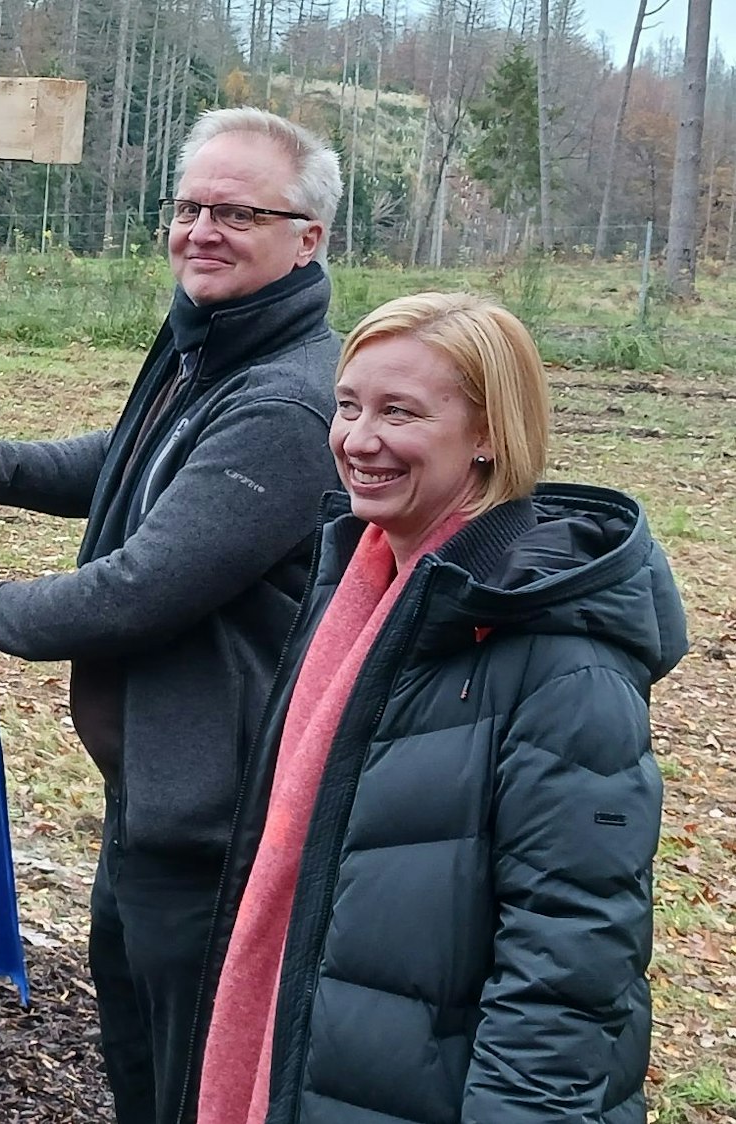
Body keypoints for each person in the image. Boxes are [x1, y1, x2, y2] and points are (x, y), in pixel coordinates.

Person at [0, 107, 344, 1124]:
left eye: (236, 211)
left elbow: (149, 582)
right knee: (138, 1053)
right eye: (188, 207)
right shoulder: (212, 348)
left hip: (218, 818)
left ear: (306, 237)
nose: (201, 230)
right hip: (159, 794)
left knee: (190, 1074)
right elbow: (137, 460)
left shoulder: (285, 400)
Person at [196, 293, 683, 1124]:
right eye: (346, 406)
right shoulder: (368, 595)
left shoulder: (562, 660)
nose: (357, 440)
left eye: (400, 412)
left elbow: (568, 966)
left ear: (489, 433)